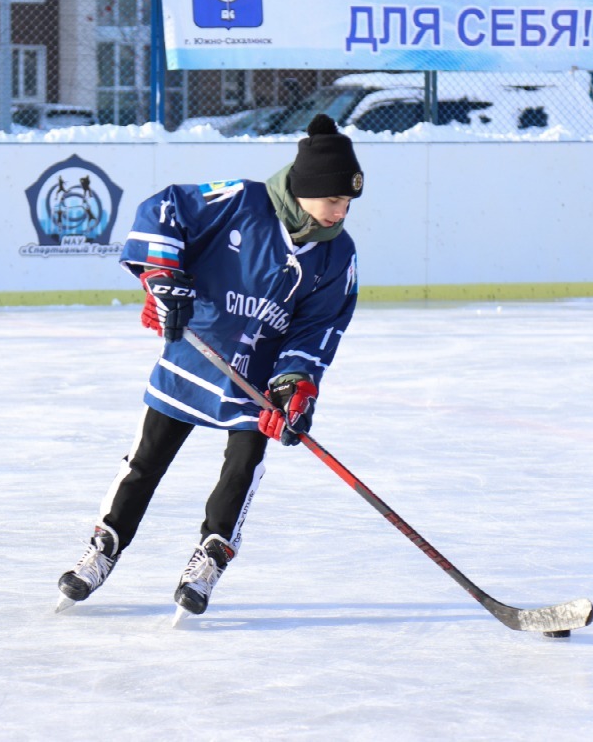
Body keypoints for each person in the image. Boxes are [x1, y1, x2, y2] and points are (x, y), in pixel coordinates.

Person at [58, 113, 364, 616]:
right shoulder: (242, 201)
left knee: (242, 469)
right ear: (305, 189)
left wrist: (296, 386)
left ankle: (211, 555)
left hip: (257, 381)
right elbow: (165, 210)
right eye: (333, 199)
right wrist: (162, 275)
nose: (341, 211)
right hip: (193, 356)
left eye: (348, 202)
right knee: (145, 460)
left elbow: (320, 326)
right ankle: (106, 545)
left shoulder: (338, 255)